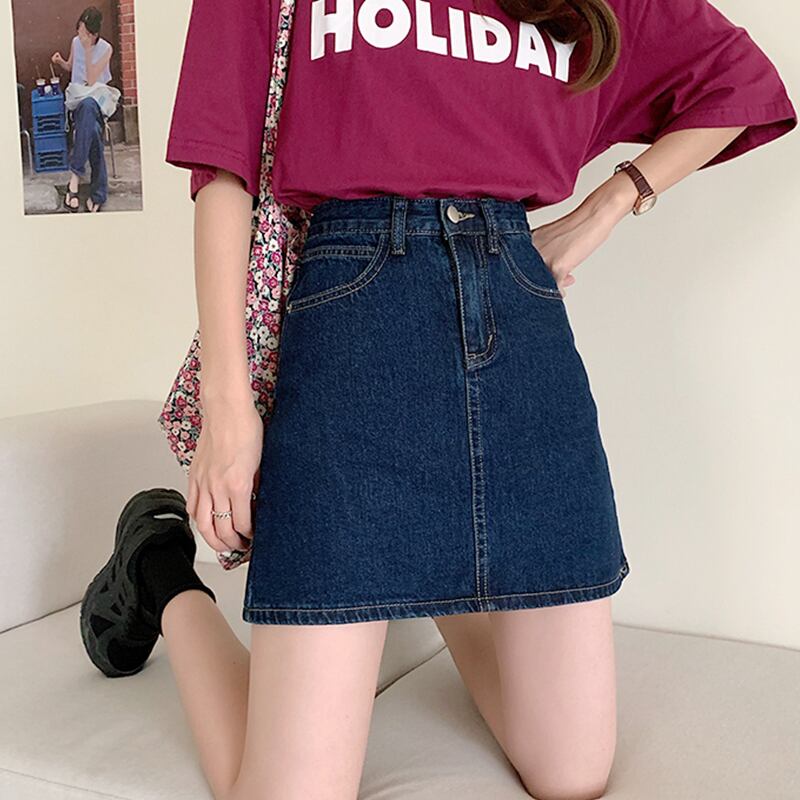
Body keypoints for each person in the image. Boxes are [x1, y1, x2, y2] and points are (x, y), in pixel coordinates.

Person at [81, 0, 796, 798]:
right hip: (351, 328)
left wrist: (604, 208)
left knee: (573, 775)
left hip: (521, 330)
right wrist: (228, 406)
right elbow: (224, 170)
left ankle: (436, 575)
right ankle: (158, 570)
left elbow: (742, 83)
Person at [51, 6, 114, 212]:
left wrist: (87, 50)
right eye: (79, 28)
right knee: (92, 130)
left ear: (94, 34)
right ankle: (98, 194)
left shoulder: (106, 49)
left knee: (89, 106)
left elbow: (92, 79)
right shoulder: (75, 42)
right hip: (77, 100)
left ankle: (74, 181)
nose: (80, 33)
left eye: (85, 31)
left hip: (97, 101)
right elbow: (71, 67)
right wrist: (60, 62)